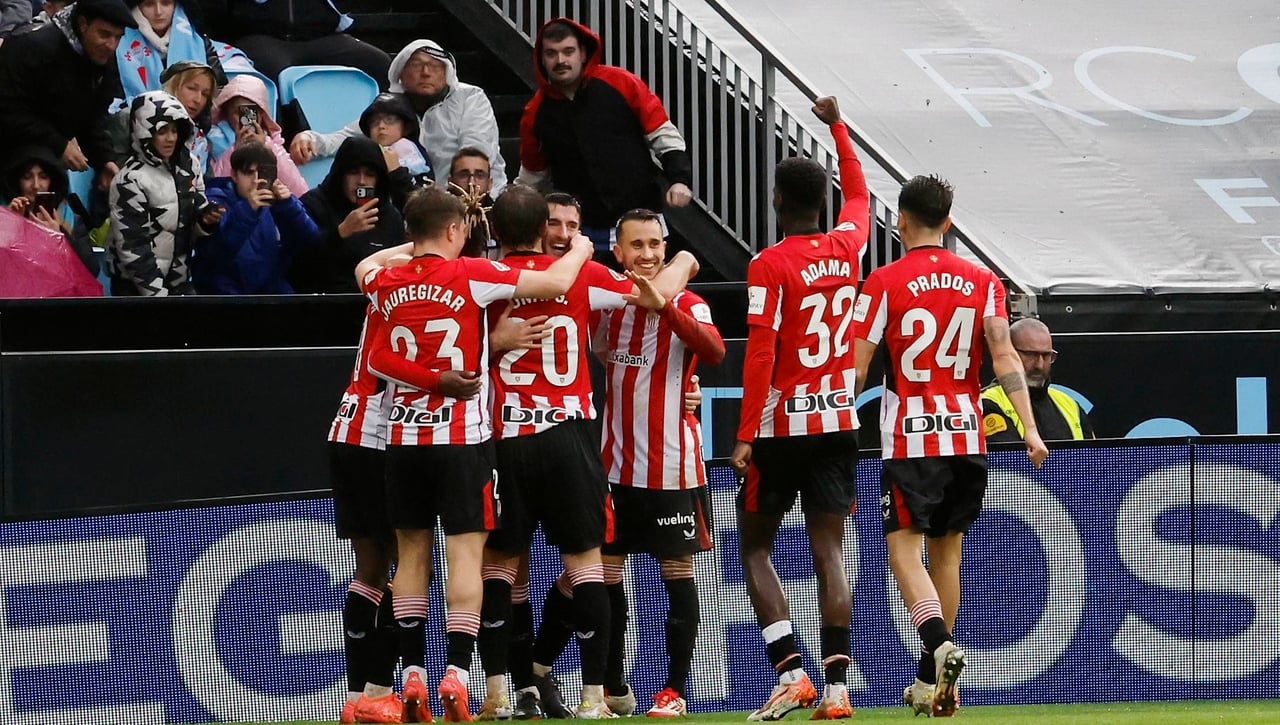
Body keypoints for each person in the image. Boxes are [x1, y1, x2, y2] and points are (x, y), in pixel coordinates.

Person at [354, 186, 593, 723]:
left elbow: (369, 280)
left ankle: (411, 670)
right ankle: (457, 674)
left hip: (404, 441)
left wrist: (408, 248)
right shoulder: (470, 275)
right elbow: (556, 280)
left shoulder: (383, 281)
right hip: (462, 440)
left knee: (411, 557)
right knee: (466, 556)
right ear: (457, 231)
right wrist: (579, 247)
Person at [474, 191, 697, 721]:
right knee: (586, 567)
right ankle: (594, 696)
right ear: (543, 229)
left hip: (506, 440)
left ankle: (501, 690)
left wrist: (493, 342)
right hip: (569, 438)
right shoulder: (585, 277)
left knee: (501, 569)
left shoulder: (479, 280)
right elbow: (653, 295)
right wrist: (684, 258)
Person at [851, 174, 1049, 718]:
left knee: (902, 550)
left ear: (900, 222)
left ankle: (939, 646)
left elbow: (860, 364)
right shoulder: (982, 280)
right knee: (948, 554)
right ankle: (932, 680)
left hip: (912, 436)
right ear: (951, 222)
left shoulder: (883, 282)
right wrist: (1029, 428)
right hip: (967, 432)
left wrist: (838, 424)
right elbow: (1006, 357)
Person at [728, 96, 868, 722]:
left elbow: (761, 354)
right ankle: (837, 691)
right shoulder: (847, 248)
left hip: (784, 426)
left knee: (756, 547)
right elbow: (861, 194)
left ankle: (791, 675)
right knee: (829, 551)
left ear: (778, 200)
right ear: (823, 200)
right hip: (840, 420)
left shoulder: (769, 263)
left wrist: (745, 433)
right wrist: (836, 126)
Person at [594, 209, 725, 718]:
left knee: (678, 572)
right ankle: (611, 684)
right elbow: (606, 359)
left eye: (656, 244)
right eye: (637, 245)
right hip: (614, 468)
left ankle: (674, 691)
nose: (648, 254)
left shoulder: (690, 302)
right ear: (618, 252)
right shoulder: (608, 307)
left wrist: (668, 306)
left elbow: (713, 352)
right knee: (605, 577)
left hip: (673, 468)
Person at [515, 18, 692, 255]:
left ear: (583, 53)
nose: (560, 61)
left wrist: (679, 178)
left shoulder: (621, 83)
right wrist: (511, 208)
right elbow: (532, 176)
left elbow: (662, 134)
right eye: (551, 54)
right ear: (542, 60)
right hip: (582, 235)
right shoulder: (534, 112)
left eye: (568, 52)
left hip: (643, 223)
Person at [290, 39, 508, 195]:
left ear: (447, 72)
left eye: (434, 66)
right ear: (400, 74)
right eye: (416, 64)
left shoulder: (470, 98)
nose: (425, 72)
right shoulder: (391, 105)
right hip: (415, 204)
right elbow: (348, 136)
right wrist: (310, 138)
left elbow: (476, 156)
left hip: (475, 201)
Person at [0, 0, 136, 175]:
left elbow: (93, 117)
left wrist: (104, 160)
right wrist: (59, 144)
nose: (111, 45)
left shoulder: (102, 58)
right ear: (82, 24)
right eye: (104, 34)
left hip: (47, 165)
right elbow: (9, 109)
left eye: (118, 37)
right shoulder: (32, 47)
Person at [107, 89, 221, 295]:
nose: (170, 138)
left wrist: (205, 220)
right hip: (135, 290)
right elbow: (133, 248)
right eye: (162, 131)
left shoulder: (190, 166)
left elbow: (192, 226)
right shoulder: (129, 180)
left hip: (179, 283)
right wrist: (158, 296)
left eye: (175, 131)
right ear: (145, 132)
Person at [193, 141, 319, 294]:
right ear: (234, 175)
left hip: (269, 294)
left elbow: (311, 242)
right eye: (248, 172)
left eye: (263, 172)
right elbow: (217, 256)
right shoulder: (216, 200)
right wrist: (248, 209)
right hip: (223, 297)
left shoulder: (279, 204)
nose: (256, 180)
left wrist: (288, 206)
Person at [291, 136, 403, 294]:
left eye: (369, 174)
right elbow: (298, 265)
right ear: (340, 175)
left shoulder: (389, 216)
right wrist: (340, 233)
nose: (362, 181)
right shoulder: (313, 205)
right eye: (353, 172)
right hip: (324, 303)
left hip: (374, 305)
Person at [199, 0, 390, 90]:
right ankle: (276, 142)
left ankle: (389, 138)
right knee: (270, 74)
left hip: (321, 36)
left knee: (378, 61)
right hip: (261, 37)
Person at [981, 318, 1095, 442]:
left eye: (1046, 356)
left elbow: (1091, 456)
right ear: (1011, 353)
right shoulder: (989, 402)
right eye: (1031, 355)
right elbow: (1007, 458)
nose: (1039, 365)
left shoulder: (1070, 404)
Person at [2, 144, 98, 278]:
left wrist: (60, 236)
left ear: (53, 181)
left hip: (59, 296)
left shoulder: (71, 219)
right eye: (27, 177)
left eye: (43, 176)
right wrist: (8, 225)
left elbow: (91, 270)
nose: (36, 185)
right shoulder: (6, 215)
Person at [208, 73, 308, 196]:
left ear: (261, 115)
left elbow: (299, 191)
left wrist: (265, 147)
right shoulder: (214, 141)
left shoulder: (274, 144)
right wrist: (236, 150)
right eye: (236, 112)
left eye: (250, 112)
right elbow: (216, 187)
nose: (244, 119)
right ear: (227, 115)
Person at [115, 0, 227, 103]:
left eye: (166, 3)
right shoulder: (117, 42)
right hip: (135, 120)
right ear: (137, 7)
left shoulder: (197, 39)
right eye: (149, 4)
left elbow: (223, 92)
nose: (158, 12)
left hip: (199, 122)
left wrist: (243, 121)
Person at [358, 92, 434, 212]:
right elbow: (361, 199)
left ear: (406, 126)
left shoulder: (416, 156)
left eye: (389, 120)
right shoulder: (362, 157)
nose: (381, 126)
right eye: (374, 121)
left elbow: (423, 205)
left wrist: (396, 172)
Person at [446, 147, 496, 260]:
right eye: (463, 175)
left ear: (490, 183)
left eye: (480, 175)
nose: (471, 183)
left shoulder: (500, 217)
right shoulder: (437, 218)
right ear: (450, 181)